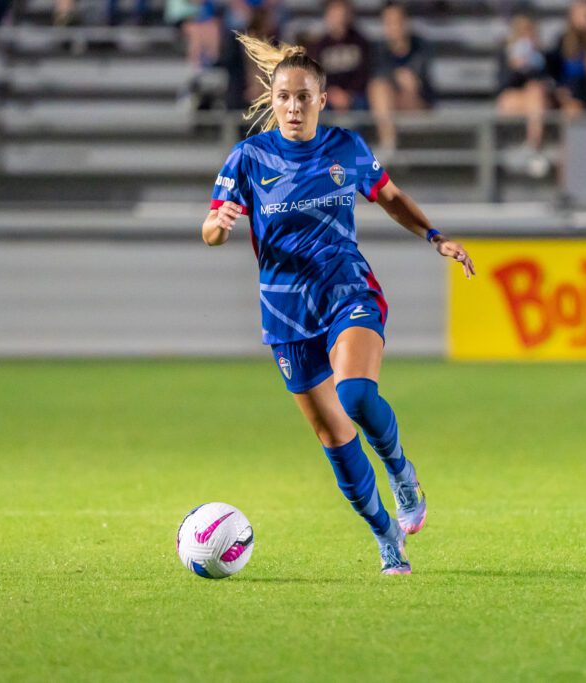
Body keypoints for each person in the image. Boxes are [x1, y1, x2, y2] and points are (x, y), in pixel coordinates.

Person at [201, 35, 475, 575]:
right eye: (284, 97)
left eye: (304, 97)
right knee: (332, 436)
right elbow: (210, 229)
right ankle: (385, 534)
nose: (294, 107)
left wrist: (434, 236)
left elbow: (389, 195)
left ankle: (401, 471)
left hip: (347, 289)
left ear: (323, 100)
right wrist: (219, 225)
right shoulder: (249, 158)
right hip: (284, 313)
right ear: (272, 100)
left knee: (354, 393)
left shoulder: (346, 148)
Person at [368, 2, 434, 154]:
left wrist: (408, 82)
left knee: (404, 88)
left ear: (406, 22)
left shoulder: (421, 47)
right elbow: (376, 79)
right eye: (389, 22)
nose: (394, 27)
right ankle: (389, 144)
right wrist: (396, 75)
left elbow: (421, 86)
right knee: (379, 88)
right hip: (387, 104)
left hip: (417, 103)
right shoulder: (378, 50)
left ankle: (388, 145)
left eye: (398, 21)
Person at [496, 15, 551, 166]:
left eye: (530, 32)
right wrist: (516, 68)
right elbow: (502, 85)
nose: (526, 37)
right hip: (512, 100)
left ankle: (533, 144)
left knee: (535, 91)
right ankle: (535, 146)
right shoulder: (505, 54)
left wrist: (534, 65)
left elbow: (549, 82)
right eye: (522, 33)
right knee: (533, 94)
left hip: (537, 100)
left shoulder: (544, 56)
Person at [308, 0, 372, 111]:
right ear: (328, 15)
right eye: (335, 12)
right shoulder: (318, 46)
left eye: (342, 12)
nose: (339, 17)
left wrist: (349, 94)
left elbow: (365, 73)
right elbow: (315, 76)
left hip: (356, 96)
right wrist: (331, 93)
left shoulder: (361, 42)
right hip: (328, 96)